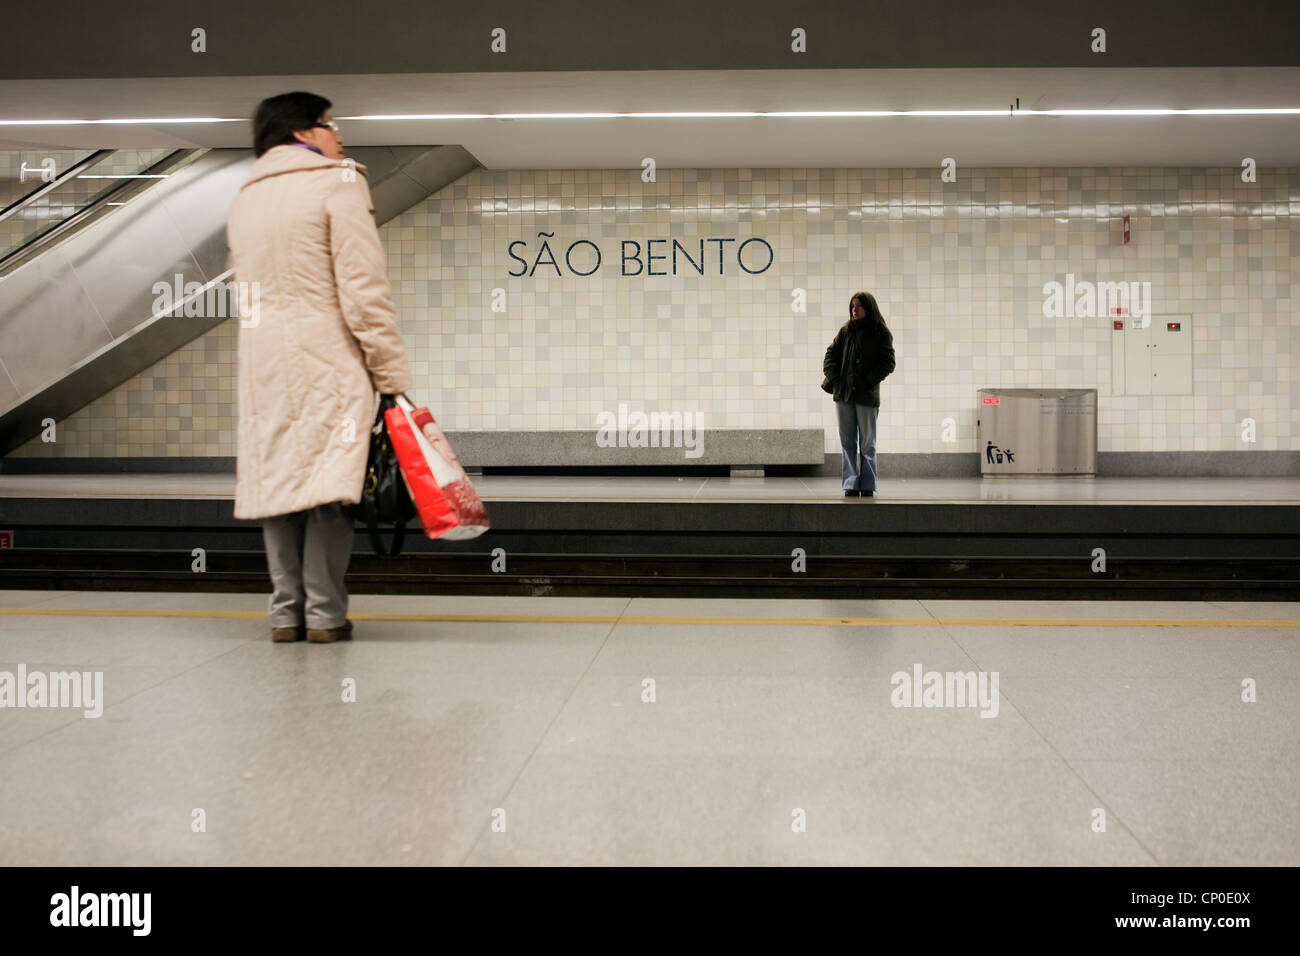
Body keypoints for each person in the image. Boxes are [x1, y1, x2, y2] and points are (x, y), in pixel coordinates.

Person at [227, 91, 411, 643]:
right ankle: (327, 615)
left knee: (279, 484)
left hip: (262, 360)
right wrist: (391, 377)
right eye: (331, 126)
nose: (341, 137)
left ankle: (286, 613)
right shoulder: (340, 181)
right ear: (302, 133)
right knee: (332, 484)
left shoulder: (245, 197)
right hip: (327, 354)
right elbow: (363, 291)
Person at [822, 292, 896, 497]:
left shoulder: (880, 332)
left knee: (867, 443)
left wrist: (868, 381)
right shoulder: (846, 331)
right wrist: (836, 380)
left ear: (869, 308)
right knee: (847, 441)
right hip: (844, 395)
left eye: (859, 306)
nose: (855, 310)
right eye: (852, 306)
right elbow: (830, 355)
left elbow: (888, 363)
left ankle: (868, 484)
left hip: (866, 396)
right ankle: (851, 483)